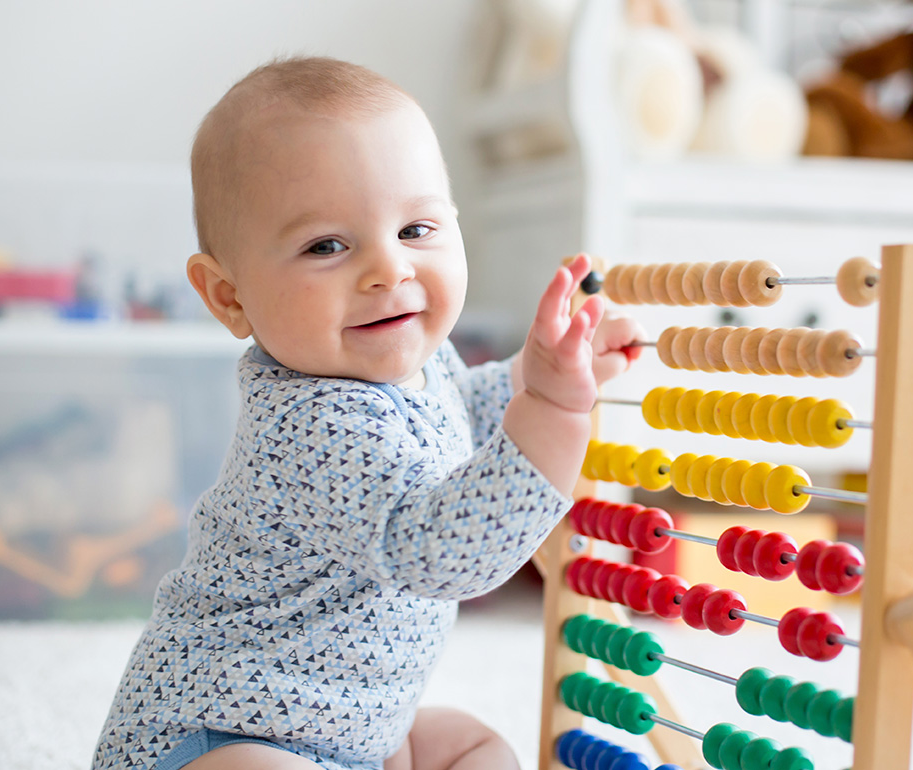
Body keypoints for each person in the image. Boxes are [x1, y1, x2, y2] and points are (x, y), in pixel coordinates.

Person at [93, 56, 642, 770]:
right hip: (223, 733)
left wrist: (532, 374)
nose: (390, 269)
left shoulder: (416, 365)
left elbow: (462, 419)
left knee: (474, 745)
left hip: (358, 733)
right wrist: (554, 410)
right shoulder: (309, 426)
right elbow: (445, 551)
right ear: (228, 297)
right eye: (327, 246)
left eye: (416, 230)